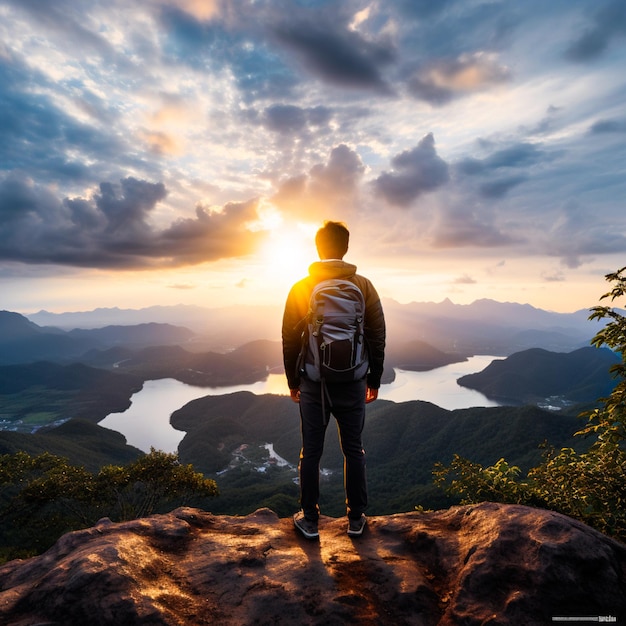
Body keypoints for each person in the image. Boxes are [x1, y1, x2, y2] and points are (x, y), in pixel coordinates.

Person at [282, 220, 386, 539]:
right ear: (346, 248)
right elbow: (377, 335)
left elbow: (289, 336)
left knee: (311, 451)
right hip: (354, 381)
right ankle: (356, 519)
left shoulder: (302, 287)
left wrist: (293, 381)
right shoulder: (364, 286)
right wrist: (374, 379)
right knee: (353, 449)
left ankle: (311, 520)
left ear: (318, 248)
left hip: (314, 382)